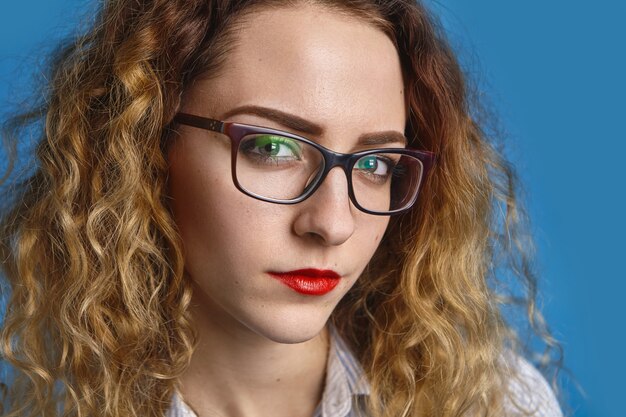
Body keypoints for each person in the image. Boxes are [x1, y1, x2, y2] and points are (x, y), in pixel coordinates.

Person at [0, 0, 565, 416]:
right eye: (272, 148)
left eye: (375, 165)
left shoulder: (492, 405)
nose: (333, 224)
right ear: (145, 147)